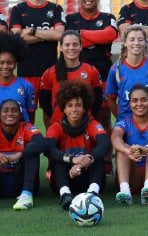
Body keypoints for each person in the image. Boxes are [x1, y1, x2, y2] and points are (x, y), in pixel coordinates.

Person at [9, 0, 66, 124]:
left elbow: (59, 34)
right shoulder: (18, 10)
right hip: (27, 71)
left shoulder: (55, 8)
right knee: (27, 119)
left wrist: (32, 31)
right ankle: (29, 149)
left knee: (52, 117)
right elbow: (15, 38)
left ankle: (52, 149)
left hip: (50, 71)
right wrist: (46, 35)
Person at [0, 98, 47, 212]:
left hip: (20, 181)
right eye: (5, 111)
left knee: (32, 150)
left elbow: (42, 142)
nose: (10, 114)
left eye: (14, 110)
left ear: (20, 115)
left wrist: (19, 154)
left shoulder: (26, 127)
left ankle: (27, 195)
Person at [45, 81, 110, 210]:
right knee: (57, 160)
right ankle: (65, 195)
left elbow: (105, 142)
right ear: (63, 108)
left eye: (78, 105)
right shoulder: (56, 127)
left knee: (97, 158)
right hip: (66, 177)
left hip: (87, 175)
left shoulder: (92, 124)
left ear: (85, 108)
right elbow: (47, 149)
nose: (74, 109)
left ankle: (93, 194)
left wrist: (86, 160)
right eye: (70, 105)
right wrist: (71, 159)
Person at [65, 0, 118, 130]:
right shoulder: (70, 18)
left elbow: (110, 35)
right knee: (76, 117)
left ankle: (106, 152)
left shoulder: (107, 17)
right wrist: (97, 36)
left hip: (104, 76)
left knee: (103, 118)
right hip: (76, 76)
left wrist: (81, 33)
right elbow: (70, 41)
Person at [111, 84, 148, 205]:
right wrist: (128, 150)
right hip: (132, 175)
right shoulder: (124, 122)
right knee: (122, 149)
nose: (139, 104)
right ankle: (125, 191)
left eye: (144, 100)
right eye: (134, 100)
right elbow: (115, 137)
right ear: (130, 104)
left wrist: (146, 149)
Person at [105, 25, 148, 121]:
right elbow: (111, 99)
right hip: (126, 124)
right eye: (132, 39)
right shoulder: (116, 69)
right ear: (125, 42)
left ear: (145, 42)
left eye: (140, 39)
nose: (136, 43)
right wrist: (122, 118)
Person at [39, 30, 103, 126]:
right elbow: (45, 102)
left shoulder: (91, 71)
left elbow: (97, 100)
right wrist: (57, 116)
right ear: (60, 47)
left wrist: (87, 116)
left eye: (75, 44)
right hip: (59, 125)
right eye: (67, 45)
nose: (71, 48)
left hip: (85, 125)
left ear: (81, 47)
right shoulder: (49, 73)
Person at [0, 32, 35, 124]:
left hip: (20, 136)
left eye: (10, 62)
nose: (5, 66)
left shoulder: (27, 86)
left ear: (16, 64)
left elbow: (31, 116)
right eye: (1, 62)